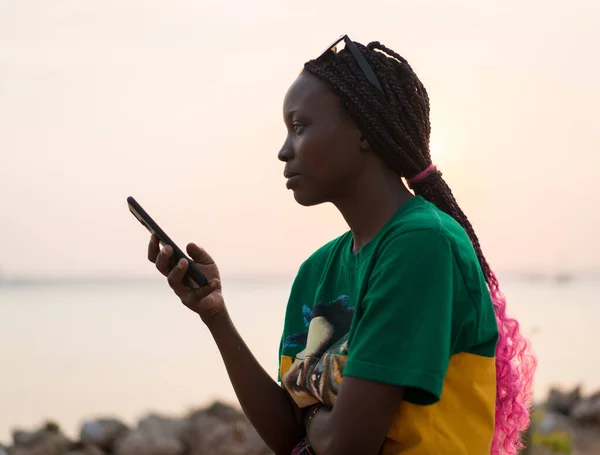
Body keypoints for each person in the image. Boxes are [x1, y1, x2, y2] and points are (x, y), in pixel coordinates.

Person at [147, 35, 536, 455]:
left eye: (299, 127)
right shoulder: (317, 271)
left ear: (364, 131)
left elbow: (347, 445)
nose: (282, 151)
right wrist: (216, 316)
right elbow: (284, 434)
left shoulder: (421, 244)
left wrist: (312, 421)